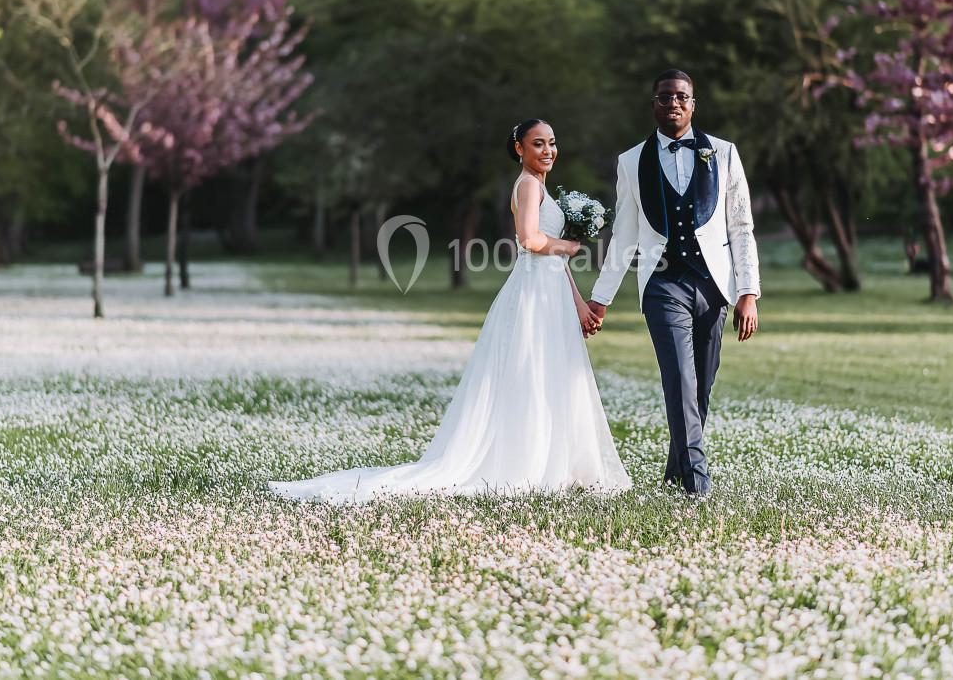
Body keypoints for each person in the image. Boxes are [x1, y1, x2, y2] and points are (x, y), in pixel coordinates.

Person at [269, 119, 632, 503]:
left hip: (550, 290)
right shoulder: (527, 185)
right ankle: (529, 462)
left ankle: (555, 461)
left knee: (550, 374)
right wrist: (570, 247)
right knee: (532, 372)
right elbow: (529, 240)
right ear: (519, 150)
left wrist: (578, 305)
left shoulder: (540, 186)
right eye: (538, 144)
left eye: (552, 143)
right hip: (533, 294)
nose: (547, 151)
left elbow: (552, 261)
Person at [585, 69, 760, 497]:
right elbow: (624, 234)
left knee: (700, 385)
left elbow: (740, 226)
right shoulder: (630, 161)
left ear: (693, 104)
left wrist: (748, 292)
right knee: (679, 380)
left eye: (682, 97)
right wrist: (600, 298)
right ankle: (696, 485)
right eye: (665, 97)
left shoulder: (723, 153)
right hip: (662, 286)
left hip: (714, 286)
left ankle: (673, 471)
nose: (674, 103)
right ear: (654, 104)